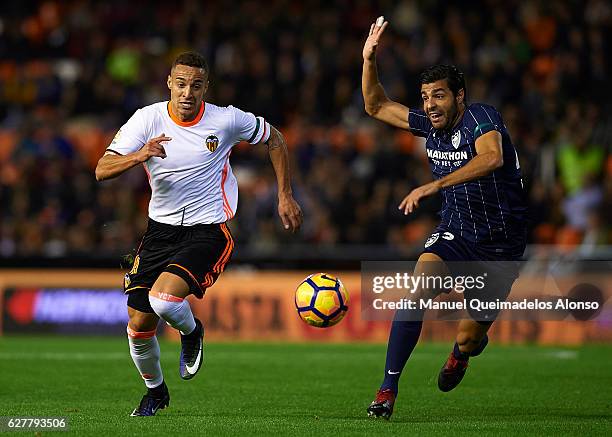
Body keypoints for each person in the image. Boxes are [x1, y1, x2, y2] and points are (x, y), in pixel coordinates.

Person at [95, 51, 303, 417]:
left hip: (208, 231)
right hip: (158, 232)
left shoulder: (225, 120)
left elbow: (276, 139)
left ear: (206, 87)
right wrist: (138, 155)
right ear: (169, 84)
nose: (187, 92)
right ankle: (156, 392)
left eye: (195, 85)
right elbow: (102, 168)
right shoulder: (147, 119)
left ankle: (192, 333)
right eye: (180, 84)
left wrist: (284, 194)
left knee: (164, 301)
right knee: (138, 326)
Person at [362, 18, 527, 419]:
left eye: (438, 96)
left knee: (471, 337)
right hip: (456, 232)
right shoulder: (428, 126)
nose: (429, 105)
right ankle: (387, 390)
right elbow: (376, 105)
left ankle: (461, 353)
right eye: (424, 97)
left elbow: (493, 158)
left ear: (459, 97)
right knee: (416, 291)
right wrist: (368, 59)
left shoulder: (481, 118)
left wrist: (435, 186)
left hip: (500, 243)